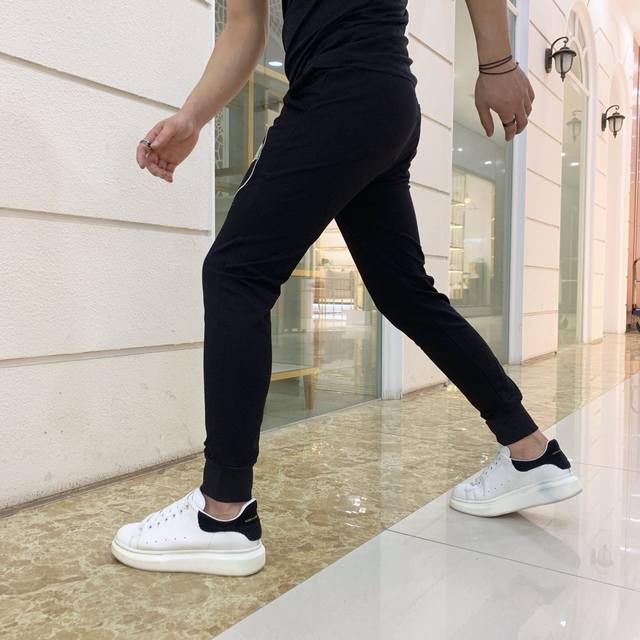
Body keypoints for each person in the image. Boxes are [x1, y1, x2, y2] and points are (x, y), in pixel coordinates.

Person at [111, 0, 582, 577]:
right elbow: (246, 26)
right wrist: (192, 118)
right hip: (383, 97)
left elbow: (246, 26)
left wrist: (498, 61)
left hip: (340, 91)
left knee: (235, 274)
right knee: (405, 291)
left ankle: (222, 513)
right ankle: (531, 452)